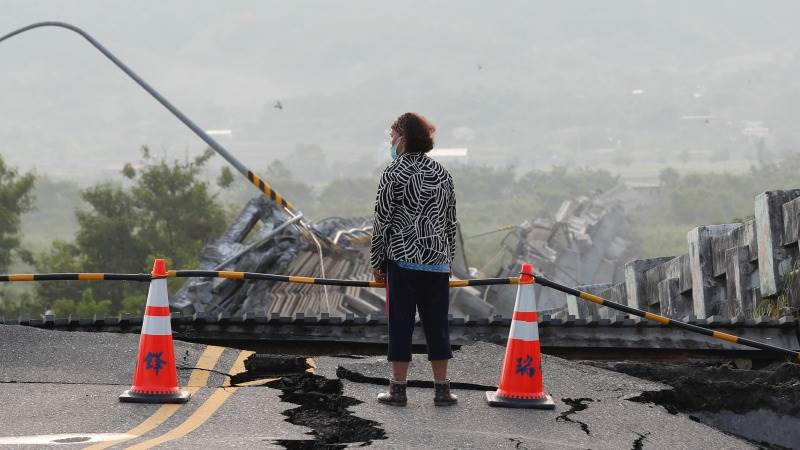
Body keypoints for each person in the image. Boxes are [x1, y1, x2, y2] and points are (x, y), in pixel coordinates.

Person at [370, 112, 458, 407]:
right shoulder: (442, 173)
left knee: (401, 325)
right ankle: (442, 390)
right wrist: (449, 263)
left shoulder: (393, 173)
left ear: (404, 139)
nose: (391, 142)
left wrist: (377, 262)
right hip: (437, 263)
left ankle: (398, 390)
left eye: (393, 137)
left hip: (403, 262)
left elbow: (383, 221)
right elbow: (450, 223)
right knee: (437, 327)